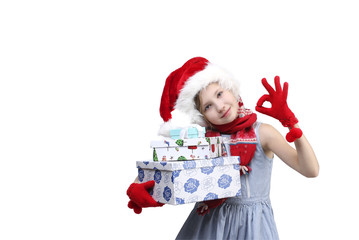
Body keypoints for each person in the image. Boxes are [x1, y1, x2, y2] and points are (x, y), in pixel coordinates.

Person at [126, 57, 319, 239]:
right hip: (208, 224)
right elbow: (166, 165)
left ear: (231, 89)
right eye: (208, 106)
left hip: (252, 227)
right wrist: (137, 186)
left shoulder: (263, 133)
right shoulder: (201, 140)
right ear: (202, 115)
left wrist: (291, 123)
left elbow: (310, 170)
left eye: (220, 94)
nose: (219, 106)